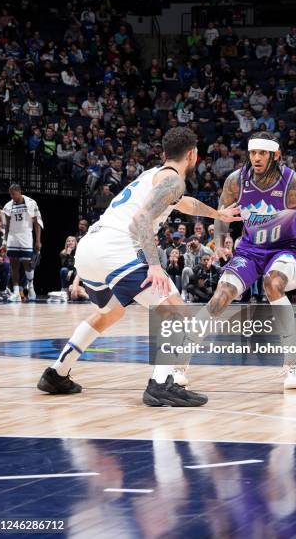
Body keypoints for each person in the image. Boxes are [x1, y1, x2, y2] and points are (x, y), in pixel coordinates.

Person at [37, 128, 241, 406]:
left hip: (90, 248)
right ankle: (160, 384)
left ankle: (56, 373)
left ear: (165, 153)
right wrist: (154, 265)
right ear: (193, 155)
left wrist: (217, 213)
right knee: (177, 311)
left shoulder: (155, 177)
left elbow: (186, 204)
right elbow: (141, 218)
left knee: (110, 313)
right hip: (117, 248)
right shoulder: (172, 181)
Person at [186, 131, 296, 390]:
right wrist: (219, 244)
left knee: (272, 284)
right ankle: (179, 360)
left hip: (283, 249)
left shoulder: (294, 186)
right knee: (221, 295)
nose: (256, 158)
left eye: (262, 153)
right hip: (250, 249)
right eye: (252, 153)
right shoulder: (236, 181)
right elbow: (221, 214)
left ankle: (293, 364)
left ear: (275, 155)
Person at [2, 184, 42, 302]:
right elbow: (6, 225)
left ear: (19, 192)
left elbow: (37, 222)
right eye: (10, 194)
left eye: (13, 193)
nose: (11, 196)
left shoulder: (31, 203)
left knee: (27, 264)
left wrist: (38, 240)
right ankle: (16, 292)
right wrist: (5, 240)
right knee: (13, 264)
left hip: (26, 235)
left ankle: (30, 285)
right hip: (13, 236)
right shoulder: (8, 206)